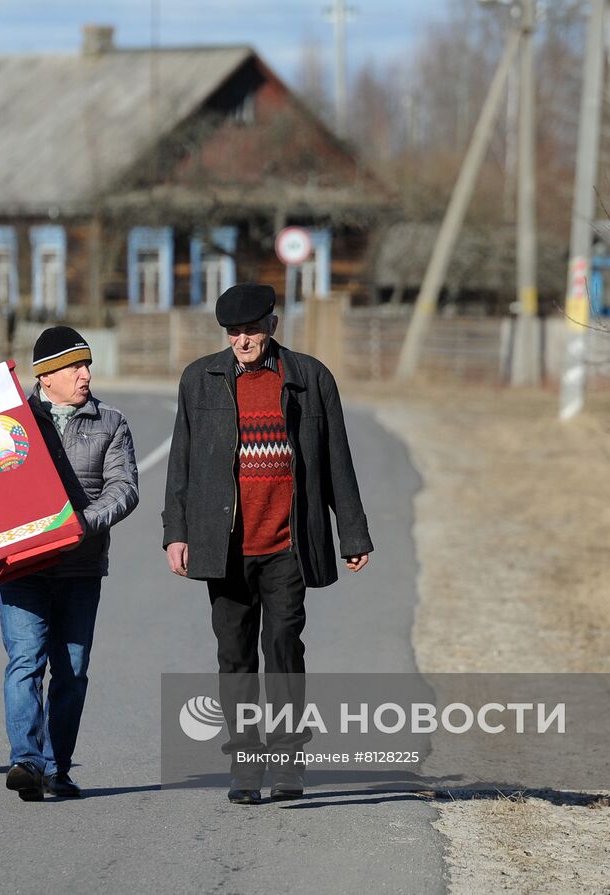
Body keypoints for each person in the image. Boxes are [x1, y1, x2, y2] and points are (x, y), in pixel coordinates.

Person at [162, 282, 373, 805]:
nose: (241, 340)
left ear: (272, 326)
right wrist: (176, 532)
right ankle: (246, 765)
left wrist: (352, 532)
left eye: (251, 330)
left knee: (282, 651)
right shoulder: (201, 379)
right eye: (233, 332)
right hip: (225, 546)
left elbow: (336, 460)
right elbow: (181, 463)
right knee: (234, 657)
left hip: (287, 544)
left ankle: (287, 762)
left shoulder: (308, 378)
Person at [0, 326, 138, 800]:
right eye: (74, 367)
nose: (85, 374)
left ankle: (57, 769)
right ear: (47, 376)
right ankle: (26, 760)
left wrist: (81, 522)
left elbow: (125, 489)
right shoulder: (9, 419)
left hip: (81, 568)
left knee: (72, 670)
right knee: (25, 662)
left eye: (87, 365)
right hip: (23, 566)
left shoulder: (111, 423)